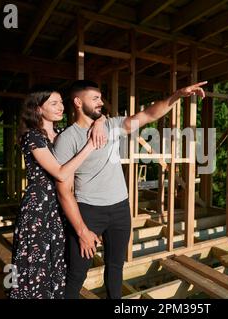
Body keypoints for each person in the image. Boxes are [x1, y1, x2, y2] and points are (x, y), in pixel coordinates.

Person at [53, 79, 207, 299]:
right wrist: (81, 230)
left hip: (120, 209)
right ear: (78, 102)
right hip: (88, 212)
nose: (100, 103)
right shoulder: (67, 139)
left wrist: (177, 96)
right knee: (77, 273)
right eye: (94, 98)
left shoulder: (111, 126)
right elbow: (63, 192)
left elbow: (148, 115)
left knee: (115, 268)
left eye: (100, 98)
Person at [10, 86, 107, 299]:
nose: (61, 107)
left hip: (62, 206)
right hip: (39, 209)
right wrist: (90, 145)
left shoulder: (63, 134)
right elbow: (61, 173)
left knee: (58, 262)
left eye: (61, 102)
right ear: (37, 109)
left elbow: (98, 118)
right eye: (53, 103)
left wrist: (99, 121)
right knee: (35, 265)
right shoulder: (32, 138)